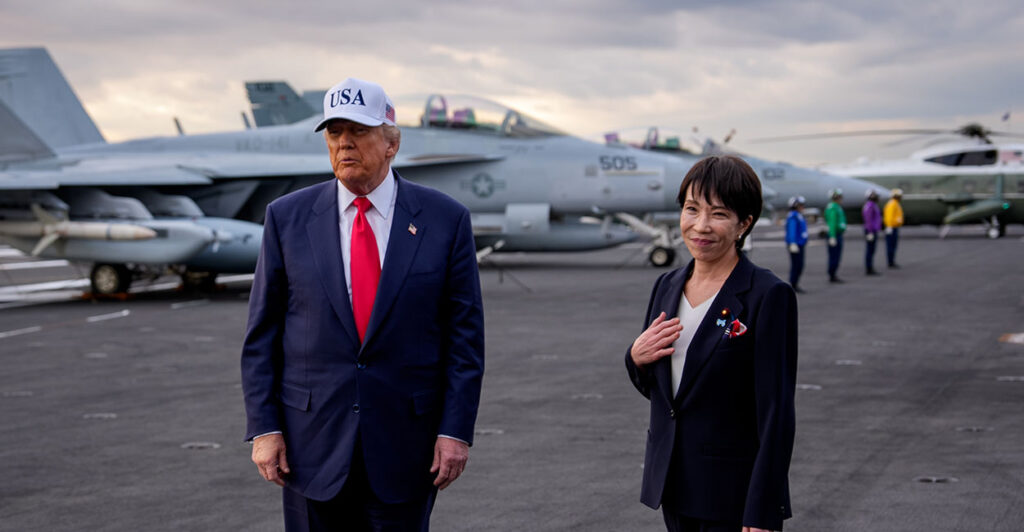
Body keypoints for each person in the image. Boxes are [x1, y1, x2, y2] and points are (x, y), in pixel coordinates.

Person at [240, 77, 485, 531]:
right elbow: (261, 338)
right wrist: (264, 429)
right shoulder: (287, 218)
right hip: (309, 449)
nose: (345, 143)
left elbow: (465, 341)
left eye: (358, 131)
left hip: (406, 449)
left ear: (391, 143)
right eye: (335, 133)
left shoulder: (445, 220)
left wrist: (455, 431)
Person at [625, 155, 797, 532]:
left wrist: (763, 508)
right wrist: (635, 358)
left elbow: (776, 411)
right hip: (673, 482)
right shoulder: (667, 286)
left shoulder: (767, 295)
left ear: (744, 224)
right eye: (691, 209)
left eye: (718, 214)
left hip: (732, 495)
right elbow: (666, 392)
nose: (700, 226)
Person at [784, 196, 808, 293]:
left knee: (799, 265)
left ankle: (794, 283)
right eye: (800, 205)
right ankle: (793, 284)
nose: (802, 207)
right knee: (796, 265)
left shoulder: (798, 215)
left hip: (800, 244)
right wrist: (793, 243)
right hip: (795, 245)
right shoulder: (793, 216)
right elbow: (792, 231)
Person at [824, 188, 846, 283]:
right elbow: (832, 223)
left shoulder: (835, 207)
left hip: (837, 234)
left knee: (836, 256)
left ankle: (833, 274)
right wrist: (832, 236)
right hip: (835, 235)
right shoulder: (833, 208)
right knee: (834, 256)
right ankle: (832, 275)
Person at [862, 189, 882, 276]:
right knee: (870, 250)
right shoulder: (870, 206)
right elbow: (868, 220)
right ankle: (869, 268)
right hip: (870, 231)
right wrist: (870, 232)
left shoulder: (873, 205)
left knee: (872, 250)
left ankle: (870, 267)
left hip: (873, 230)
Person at [883, 188, 904, 268]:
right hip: (892, 228)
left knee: (893, 245)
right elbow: (889, 217)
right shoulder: (892, 204)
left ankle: (892, 261)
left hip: (895, 227)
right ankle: (890, 262)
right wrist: (889, 226)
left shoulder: (895, 204)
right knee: (891, 245)